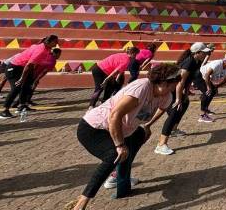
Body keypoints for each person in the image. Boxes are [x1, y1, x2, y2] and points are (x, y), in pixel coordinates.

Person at [70, 63, 180, 210]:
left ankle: (121, 178)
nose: (174, 88)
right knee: (114, 155)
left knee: (139, 135)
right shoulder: (141, 88)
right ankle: (82, 202)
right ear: (164, 82)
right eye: (173, 84)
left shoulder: (166, 96)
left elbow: (162, 108)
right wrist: (120, 145)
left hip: (122, 129)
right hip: (95, 128)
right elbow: (115, 115)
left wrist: (148, 125)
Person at [154, 42, 212, 155]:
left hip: (176, 88)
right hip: (170, 88)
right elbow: (180, 83)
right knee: (175, 111)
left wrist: (185, 94)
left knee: (185, 104)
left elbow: (189, 79)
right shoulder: (189, 63)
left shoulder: (197, 61)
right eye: (203, 52)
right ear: (197, 53)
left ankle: (173, 130)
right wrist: (178, 99)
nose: (205, 54)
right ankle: (161, 144)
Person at [0, 35, 60, 119]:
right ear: (49, 42)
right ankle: (4, 111)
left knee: (27, 85)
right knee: (17, 87)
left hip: (23, 67)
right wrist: (22, 78)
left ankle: (22, 106)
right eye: (55, 41)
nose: (57, 43)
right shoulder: (41, 50)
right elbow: (29, 65)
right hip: (14, 67)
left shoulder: (46, 48)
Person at [197, 53, 226, 123]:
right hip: (199, 75)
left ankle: (206, 109)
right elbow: (207, 75)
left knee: (213, 91)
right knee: (207, 92)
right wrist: (209, 87)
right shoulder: (217, 64)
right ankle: (202, 115)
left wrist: (217, 86)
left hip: (206, 78)